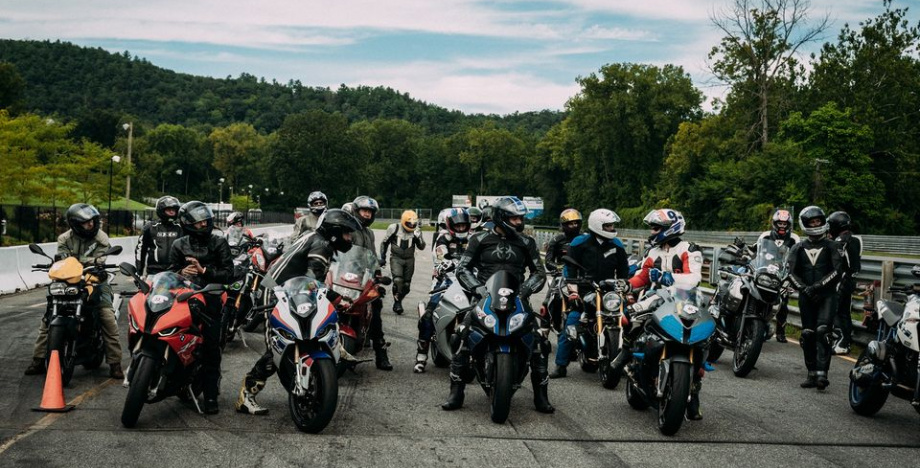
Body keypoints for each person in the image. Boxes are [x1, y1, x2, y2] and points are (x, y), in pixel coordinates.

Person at [236, 208, 361, 415]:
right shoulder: (321, 245)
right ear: (335, 231)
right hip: (274, 291)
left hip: (291, 289)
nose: (349, 238)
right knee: (277, 345)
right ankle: (246, 394)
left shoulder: (318, 239)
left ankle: (333, 348)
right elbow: (312, 283)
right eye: (347, 233)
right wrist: (337, 297)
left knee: (314, 323)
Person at [441, 196, 554, 414]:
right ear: (501, 217)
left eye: (520, 218)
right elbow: (463, 268)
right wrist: (477, 288)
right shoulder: (479, 239)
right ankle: (456, 392)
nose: (519, 222)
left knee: (540, 342)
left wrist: (525, 289)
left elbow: (539, 272)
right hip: (484, 297)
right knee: (462, 335)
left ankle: (541, 396)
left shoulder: (527, 242)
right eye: (514, 218)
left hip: (518, 299)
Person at [621, 208, 705, 419]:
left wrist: (669, 278)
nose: (652, 231)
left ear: (671, 228)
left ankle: (693, 388)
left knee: (705, 335)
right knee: (629, 316)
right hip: (657, 297)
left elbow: (693, 279)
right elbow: (641, 277)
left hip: (686, 298)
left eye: (656, 227)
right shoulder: (653, 252)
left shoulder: (690, 249)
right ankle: (626, 355)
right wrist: (626, 285)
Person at [24, 204, 124, 379]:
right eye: (86, 223)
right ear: (75, 224)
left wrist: (85, 262)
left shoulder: (101, 238)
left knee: (107, 316)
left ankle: (115, 363)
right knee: (48, 317)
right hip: (68, 281)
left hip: (95, 279)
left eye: (92, 221)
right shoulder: (64, 238)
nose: (91, 225)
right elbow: (62, 258)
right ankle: (38, 360)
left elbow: (100, 259)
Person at [167, 201, 234, 414]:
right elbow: (169, 272)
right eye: (198, 222)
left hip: (211, 297)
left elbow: (228, 274)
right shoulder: (178, 244)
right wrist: (181, 273)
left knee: (211, 348)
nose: (203, 224)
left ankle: (211, 395)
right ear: (187, 223)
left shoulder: (219, 242)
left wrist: (203, 270)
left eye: (205, 220)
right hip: (183, 298)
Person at [550, 209, 629, 378]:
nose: (611, 228)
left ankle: (629, 363)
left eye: (612, 225)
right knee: (571, 321)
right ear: (597, 225)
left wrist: (625, 287)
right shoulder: (580, 242)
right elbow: (569, 268)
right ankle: (560, 365)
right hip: (584, 289)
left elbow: (624, 272)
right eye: (607, 226)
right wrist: (573, 291)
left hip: (609, 292)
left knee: (629, 318)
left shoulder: (617, 245)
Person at [787, 206, 844, 391]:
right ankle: (811, 373)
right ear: (805, 224)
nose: (815, 224)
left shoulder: (833, 246)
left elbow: (838, 270)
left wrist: (818, 286)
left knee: (823, 332)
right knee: (808, 333)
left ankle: (822, 374)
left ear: (823, 221)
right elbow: (790, 272)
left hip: (827, 296)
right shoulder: (798, 247)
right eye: (811, 222)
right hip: (806, 296)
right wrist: (804, 288)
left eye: (818, 221)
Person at [414, 208, 470, 373]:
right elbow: (440, 258)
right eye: (457, 226)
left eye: (463, 225)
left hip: (469, 283)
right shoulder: (442, 238)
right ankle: (421, 356)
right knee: (428, 316)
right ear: (451, 225)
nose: (461, 229)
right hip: (444, 282)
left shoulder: (474, 239)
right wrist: (446, 263)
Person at [351, 195, 393, 371]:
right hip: (347, 277)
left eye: (370, 212)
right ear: (356, 210)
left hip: (365, 280)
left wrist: (378, 276)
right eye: (364, 211)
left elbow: (373, 258)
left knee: (376, 310)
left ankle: (380, 353)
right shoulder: (348, 229)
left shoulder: (369, 233)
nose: (367, 214)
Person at [759, 209, 799, 343]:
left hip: (784, 275)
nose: (782, 226)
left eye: (785, 224)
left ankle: (781, 332)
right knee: (759, 299)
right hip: (765, 271)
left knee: (783, 303)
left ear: (789, 225)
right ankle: (759, 328)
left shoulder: (794, 238)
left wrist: (791, 277)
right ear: (774, 223)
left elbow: (797, 258)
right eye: (779, 223)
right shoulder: (765, 235)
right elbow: (756, 250)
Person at [380, 210, 426, 314]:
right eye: (410, 223)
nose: (412, 225)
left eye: (414, 223)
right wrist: (382, 257)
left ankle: (399, 298)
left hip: (409, 259)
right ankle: (397, 303)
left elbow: (422, 247)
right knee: (398, 280)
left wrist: (419, 237)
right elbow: (384, 242)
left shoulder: (416, 231)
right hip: (396, 258)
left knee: (406, 285)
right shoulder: (394, 228)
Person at [828, 211, 861, 355]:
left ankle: (841, 341)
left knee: (834, 310)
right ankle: (845, 342)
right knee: (845, 312)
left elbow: (834, 261)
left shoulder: (840, 241)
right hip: (851, 279)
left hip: (841, 279)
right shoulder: (856, 239)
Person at [136, 196, 182, 277]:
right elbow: (140, 250)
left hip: (177, 272)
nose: (172, 212)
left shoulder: (181, 227)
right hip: (154, 272)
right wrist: (139, 273)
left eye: (174, 210)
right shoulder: (149, 227)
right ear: (161, 210)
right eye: (168, 210)